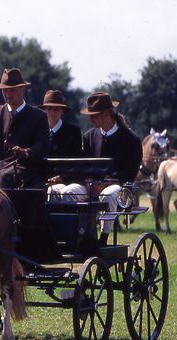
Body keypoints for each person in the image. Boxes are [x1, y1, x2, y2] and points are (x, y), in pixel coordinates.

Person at [0, 68, 49, 188]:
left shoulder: (39, 116)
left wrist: (26, 152)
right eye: (4, 90)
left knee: (4, 177)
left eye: (11, 90)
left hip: (24, 169)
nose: (7, 94)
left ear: (23, 89)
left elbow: (42, 146)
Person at [81, 92, 142, 244]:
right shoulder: (89, 137)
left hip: (119, 189)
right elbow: (84, 167)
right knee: (69, 192)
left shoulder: (131, 140)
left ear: (106, 114)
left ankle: (103, 237)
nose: (90, 118)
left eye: (94, 115)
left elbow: (129, 174)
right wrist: (88, 182)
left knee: (108, 194)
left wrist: (104, 184)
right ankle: (78, 236)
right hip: (91, 187)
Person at [40, 90, 85, 201]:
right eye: (49, 109)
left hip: (66, 182)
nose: (52, 112)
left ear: (62, 111)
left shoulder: (73, 132)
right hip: (41, 181)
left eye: (56, 109)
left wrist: (62, 176)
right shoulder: (38, 131)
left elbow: (77, 162)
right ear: (44, 110)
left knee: (52, 192)